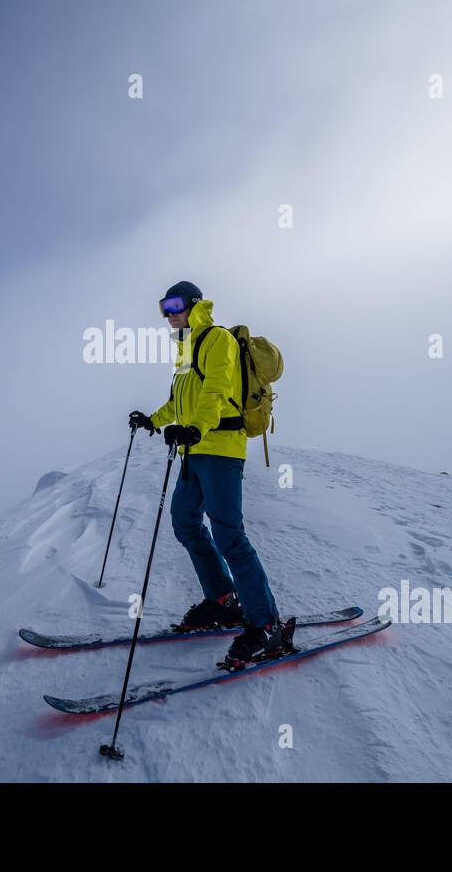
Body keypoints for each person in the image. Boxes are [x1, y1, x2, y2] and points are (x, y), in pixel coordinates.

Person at [128, 281, 288, 667]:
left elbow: (216, 391)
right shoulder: (184, 349)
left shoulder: (217, 340)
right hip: (194, 450)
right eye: (164, 307)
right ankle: (222, 600)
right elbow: (178, 399)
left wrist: (197, 427)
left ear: (194, 305)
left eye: (177, 304)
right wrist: (154, 420)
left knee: (230, 536)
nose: (170, 314)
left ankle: (266, 626)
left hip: (220, 449)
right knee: (184, 522)